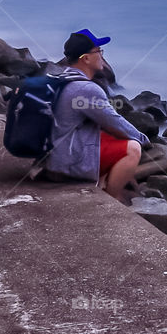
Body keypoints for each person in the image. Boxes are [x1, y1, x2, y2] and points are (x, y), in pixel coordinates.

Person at [44, 29, 149, 204]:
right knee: (133, 148)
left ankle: (101, 183)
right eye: (99, 52)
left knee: (110, 135)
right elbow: (115, 122)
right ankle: (109, 202)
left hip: (51, 158)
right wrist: (143, 139)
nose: (102, 56)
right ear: (86, 58)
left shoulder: (59, 80)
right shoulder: (86, 89)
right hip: (65, 166)